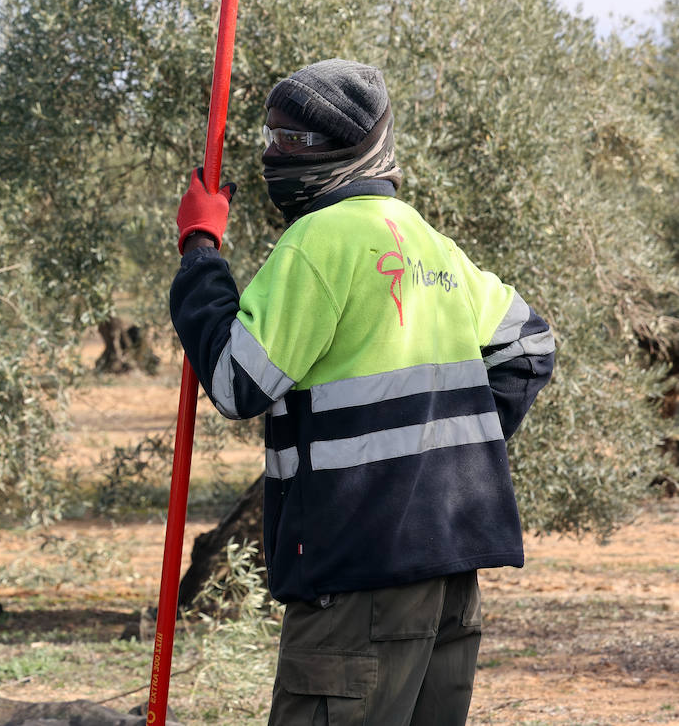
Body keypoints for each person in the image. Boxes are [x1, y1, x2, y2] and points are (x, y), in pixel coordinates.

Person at [170, 59, 555, 725]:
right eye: (268, 136)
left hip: (357, 579)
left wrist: (200, 252)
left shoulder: (321, 240)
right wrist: (443, 466)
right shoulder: (425, 241)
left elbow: (237, 383)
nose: (268, 154)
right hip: (448, 574)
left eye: (287, 141)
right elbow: (530, 347)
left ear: (334, 151)